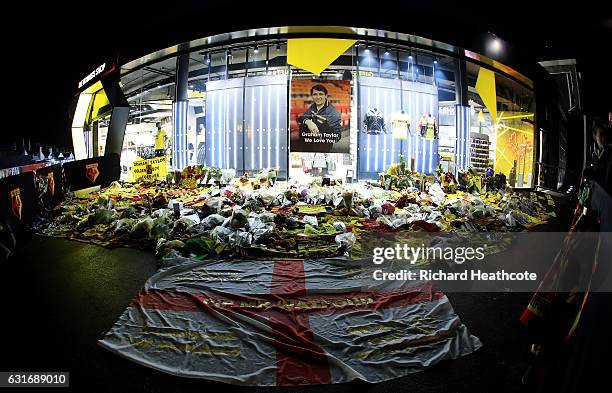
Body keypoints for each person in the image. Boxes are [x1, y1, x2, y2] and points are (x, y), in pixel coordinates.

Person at [297, 84, 342, 152]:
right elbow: (301, 118)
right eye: (315, 94)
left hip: (322, 147)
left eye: (321, 94)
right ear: (312, 96)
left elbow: (337, 137)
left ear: (325, 96)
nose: (318, 97)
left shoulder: (333, 112)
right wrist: (309, 122)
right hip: (309, 143)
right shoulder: (313, 106)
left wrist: (320, 135)